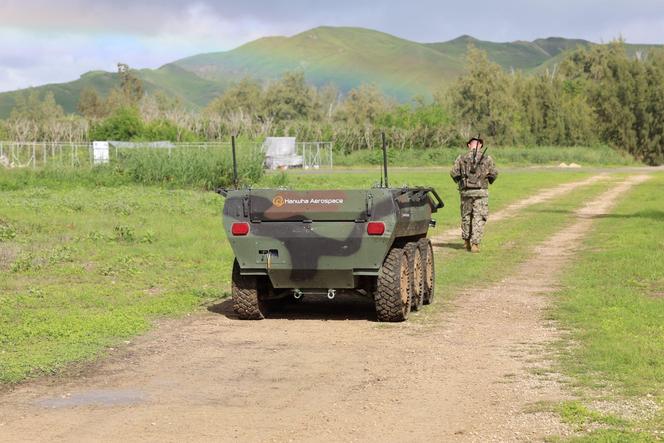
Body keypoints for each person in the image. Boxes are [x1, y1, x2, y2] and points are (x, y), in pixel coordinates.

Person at [450, 137, 498, 253]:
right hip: (481, 192)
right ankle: (475, 244)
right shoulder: (487, 158)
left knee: (466, 216)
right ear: (480, 145)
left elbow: (453, 173)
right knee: (479, 217)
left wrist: (462, 182)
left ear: (468, 145)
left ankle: (466, 240)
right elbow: (494, 173)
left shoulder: (461, 158)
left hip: (466, 192)